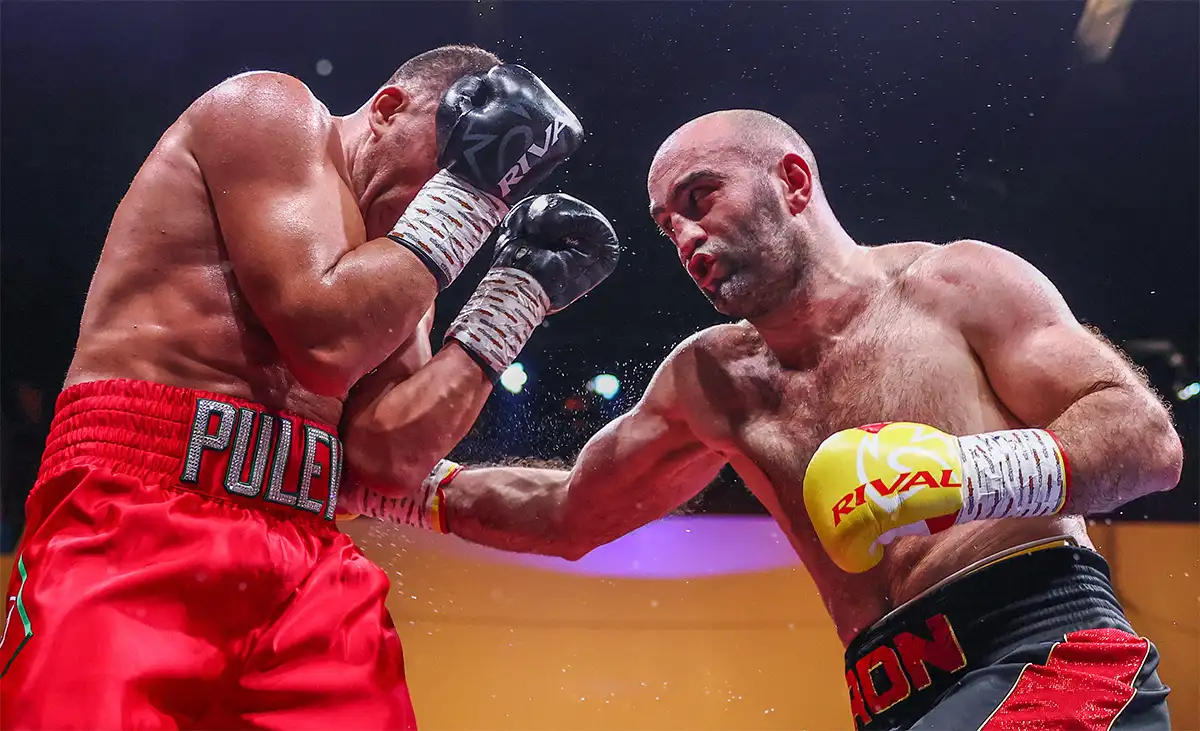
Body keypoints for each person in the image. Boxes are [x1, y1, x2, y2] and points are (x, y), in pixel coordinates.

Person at [343, 110, 1184, 730]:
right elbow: (564, 512)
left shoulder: (956, 285)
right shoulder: (712, 380)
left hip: (1048, 654)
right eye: (667, 223)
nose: (684, 233)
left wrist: (964, 474)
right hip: (895, 699)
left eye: (700, 197)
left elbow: (1146, 440)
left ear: (792, 181)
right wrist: (375, 486)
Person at [0, 44, 619, 730]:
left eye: (482, 190)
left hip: (306, 558)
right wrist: (469, 192)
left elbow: (388, 460)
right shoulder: (269, 110)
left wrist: (511, 301)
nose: (456, 206)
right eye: (456, 167)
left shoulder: (403, 270)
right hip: (135, 512)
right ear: (388, 109)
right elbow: (324, 340)